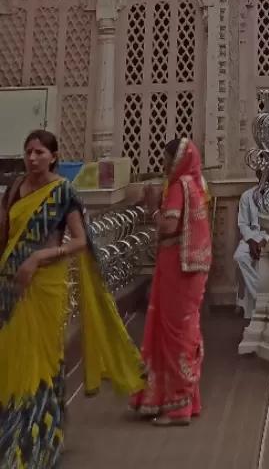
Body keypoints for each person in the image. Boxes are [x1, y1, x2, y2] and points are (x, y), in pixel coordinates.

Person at [0, 129, 143, 468]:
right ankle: (12, 435)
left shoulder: (63, 193)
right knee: (9, 359)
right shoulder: (14, 188)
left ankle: (38, 441)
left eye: (39, 152)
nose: (33, 157)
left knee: (39, 359)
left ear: (53, 157)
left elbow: (80, 241)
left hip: (46, 287)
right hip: (9, 285)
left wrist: (40, 257)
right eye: (28, 151)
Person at [131, 137, 212, 425]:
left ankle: (177, 406)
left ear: (176, 160)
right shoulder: (197, 184)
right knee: (185, 331)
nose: (163, 163)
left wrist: (153, 208)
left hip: (179, 267)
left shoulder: (180, 187)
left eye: (166, 158)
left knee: (174, 334)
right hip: (189, 266)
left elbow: (168, 226)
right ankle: (184, 400)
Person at [235, 176, 268, 323]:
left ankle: (261, 300)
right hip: (251, 237)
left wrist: (263, 240)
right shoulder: (247, 196)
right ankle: (261, 297)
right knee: (240, 256)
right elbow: (242, 224)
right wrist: (251, 240)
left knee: (263, 260)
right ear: (258, 172)